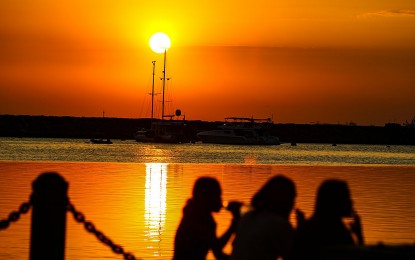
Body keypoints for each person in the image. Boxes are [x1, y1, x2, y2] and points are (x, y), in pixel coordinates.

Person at [292, 179, 364, 260]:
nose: (351, 202)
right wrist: (359, 236)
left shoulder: (304, 229)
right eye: (346, 197)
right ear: (335, 202)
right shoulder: (340, 235)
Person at [230, 175, 297, 260]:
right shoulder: (279, 224)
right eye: (292, 199)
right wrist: (302, 230)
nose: (293, 204)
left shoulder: (247, 217)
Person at [173, 177, 242, 260]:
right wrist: (233, 225)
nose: (220, 200)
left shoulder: (194, 214)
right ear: (205, 198)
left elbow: (218, 252)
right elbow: (217, 249)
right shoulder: (197, 220)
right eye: (217, 196)